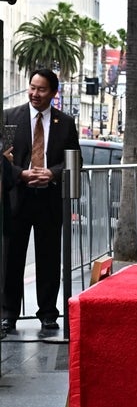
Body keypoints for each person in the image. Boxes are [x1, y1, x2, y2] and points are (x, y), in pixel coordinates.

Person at [2, 68, 80, 335]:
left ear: (54, 93)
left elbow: (74, 159)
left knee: (48, 258)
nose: (35, 93)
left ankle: (48, 313)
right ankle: (8, 313)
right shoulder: (11, 117)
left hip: (49, 198)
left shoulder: (66, 123)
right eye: (32, 87)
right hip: (17, 198)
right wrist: (21, 174)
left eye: (41, 89)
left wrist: (52, 173)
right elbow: (2, 158)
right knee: (12, 258)